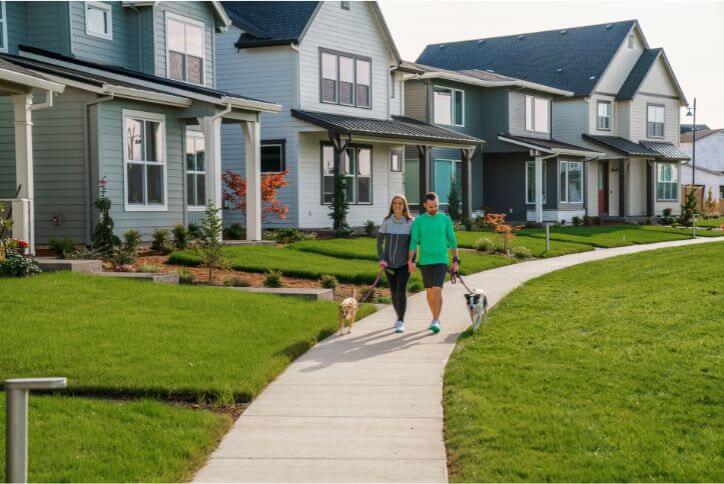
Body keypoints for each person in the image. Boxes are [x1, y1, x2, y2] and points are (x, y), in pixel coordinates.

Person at [408, 192, 459, 334]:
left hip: (441, 260)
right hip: (425, 261)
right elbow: (414, 241)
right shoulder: (419, 221)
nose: (434, 209)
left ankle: (436, 320)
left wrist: (455, 260)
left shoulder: (445, 220)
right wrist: (411, 260)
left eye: (436, 206)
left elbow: (452, 240)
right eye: (431, 207)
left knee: (437, 288)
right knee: (430, 291)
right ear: (425, 205)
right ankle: (434, 317)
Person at [377, 194, 414, 333]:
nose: (397, 205)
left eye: (400, 203)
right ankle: (399, 316)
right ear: (392, 206)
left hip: (404, 264)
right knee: (393, 293)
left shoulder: (411, 222)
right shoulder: (387, 221)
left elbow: (413, 244)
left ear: (404, 206)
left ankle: (400, 320)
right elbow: (379, 242)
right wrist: (381, 258)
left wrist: (412, 261)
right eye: (395, 203)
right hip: (388, 265)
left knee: (400, 291)